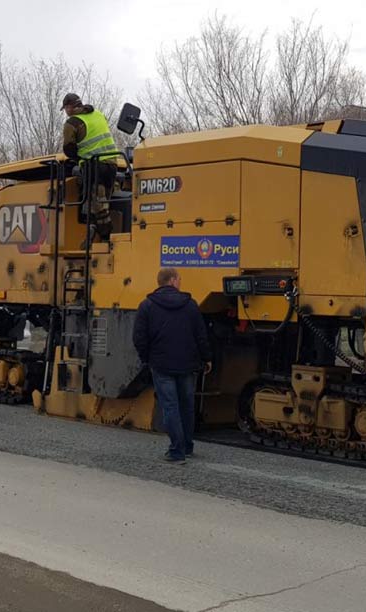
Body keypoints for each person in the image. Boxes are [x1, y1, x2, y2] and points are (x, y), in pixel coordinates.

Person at [133, 268, 212, 463]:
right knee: (187, 406)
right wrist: (206, 358)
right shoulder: (191, 305)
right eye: (180, 279)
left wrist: (147, 358)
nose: (181, 282)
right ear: (173, 281)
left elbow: (139, 338)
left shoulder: (147, 306)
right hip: (187, 364)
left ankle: (176, 451)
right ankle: (187, 446)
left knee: (170, 407)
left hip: (161, 364)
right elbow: (201, 335)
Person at [60, 93, 119, 245]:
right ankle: (94, 230)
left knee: (96, 204)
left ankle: (105, 236)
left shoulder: (72, 122)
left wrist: (78, 158)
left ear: (69, 107)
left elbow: (68, 149)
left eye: (65, 108)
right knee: (104, 201)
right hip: (112, 165)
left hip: (94, 167)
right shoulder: (98, 114)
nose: (66, 112)